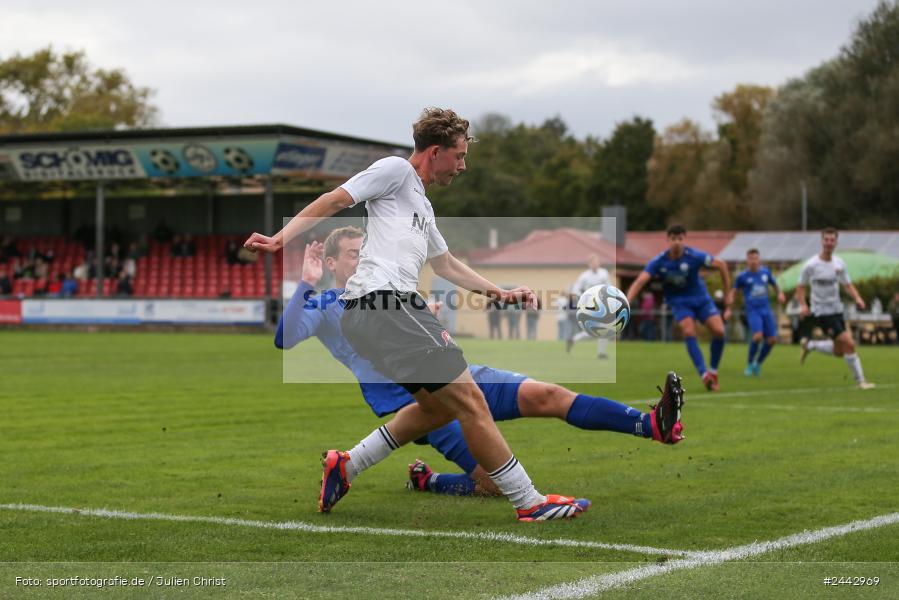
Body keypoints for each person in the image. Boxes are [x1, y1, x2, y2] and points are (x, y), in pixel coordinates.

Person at [247, 107, 596, 521]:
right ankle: (530, 502)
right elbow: (335, 199)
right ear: (434, 152)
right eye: (459, 155)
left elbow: (446, 265)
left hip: (375, 314)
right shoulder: (395, 170)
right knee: (470, 400)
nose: (463, 166)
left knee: (438, 408)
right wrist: (279, 238)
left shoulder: (423, 208)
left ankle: (348, 464)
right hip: (385, 304)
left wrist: (500, 293)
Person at [278, 227, 685, 497]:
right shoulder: (328, 303)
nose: (361, 261)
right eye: (352, 255)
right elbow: (285, 337)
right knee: (491, 486)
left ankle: (649, 424)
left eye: (365, 253)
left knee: (548, 395)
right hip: (415, 399)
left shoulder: (385, 289)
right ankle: (429, 479)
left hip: (458, 374)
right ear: (330, 263)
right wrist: (307, 283)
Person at [626, 224, 732, 391]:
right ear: (667, 240)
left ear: (684, 240)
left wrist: (728, 294)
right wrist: (627, 301)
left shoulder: (694, 256)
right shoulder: (659, 261)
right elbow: (640, 281)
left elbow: (722, 265)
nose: (677, 242)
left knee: (719, 331)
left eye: (680, 239)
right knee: (689, 331)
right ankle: (704, 374)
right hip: (679, 302)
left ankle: (713, 371)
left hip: (701, 298)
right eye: (673, 239)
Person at [796, 228, 875, 389]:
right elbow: (800, 287)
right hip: (821, 312)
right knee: (849, 344)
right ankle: (861, 381)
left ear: (836, 242)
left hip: (837, 310)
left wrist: (858, 298)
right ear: (821, 241)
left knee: (840, 351)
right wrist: (804, 305)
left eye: (832, 240)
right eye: (826, 240)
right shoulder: (811, 265)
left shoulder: (839, 263)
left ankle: (810, 345)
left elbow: (847, 285)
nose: (829, 243)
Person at [727, 248, 786, 377]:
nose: (753, 261)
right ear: (747, 260)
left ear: (759, 260)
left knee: (772, 340)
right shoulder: (742, 276)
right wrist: (729, 305)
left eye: (755, 258)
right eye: (750, 259)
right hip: (753, 310)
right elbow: (734, 291)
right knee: (758, 336)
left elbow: (775, 285)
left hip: (766, 309)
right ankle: (749, 364)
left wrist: (780, 294)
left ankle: (757, 364)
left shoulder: (765, 272)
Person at [566, 254, 612, 358]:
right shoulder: (584, 276)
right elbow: (576, 289)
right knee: (600, 329)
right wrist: (582, 298)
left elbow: (609, 287)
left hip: (603, 304)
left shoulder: (604, 273)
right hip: (591, 305)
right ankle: (601, 353)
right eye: (592, 262)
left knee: (599, 329)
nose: (595, 264)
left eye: (596, 262)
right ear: (589, 264)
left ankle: (573, 339)